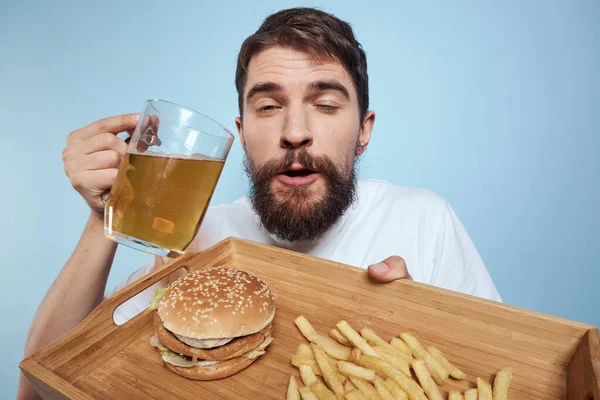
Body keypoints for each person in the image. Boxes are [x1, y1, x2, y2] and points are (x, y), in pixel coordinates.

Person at [17, 7, 500, 399]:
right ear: (243, 133)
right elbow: (38, 387)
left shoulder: (424, 218)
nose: (294, 133)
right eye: (268, 107)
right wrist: (101, 213)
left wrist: (426, 333)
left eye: (327, 104)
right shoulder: (191, 237)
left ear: (364, 131)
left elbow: (494, 375)